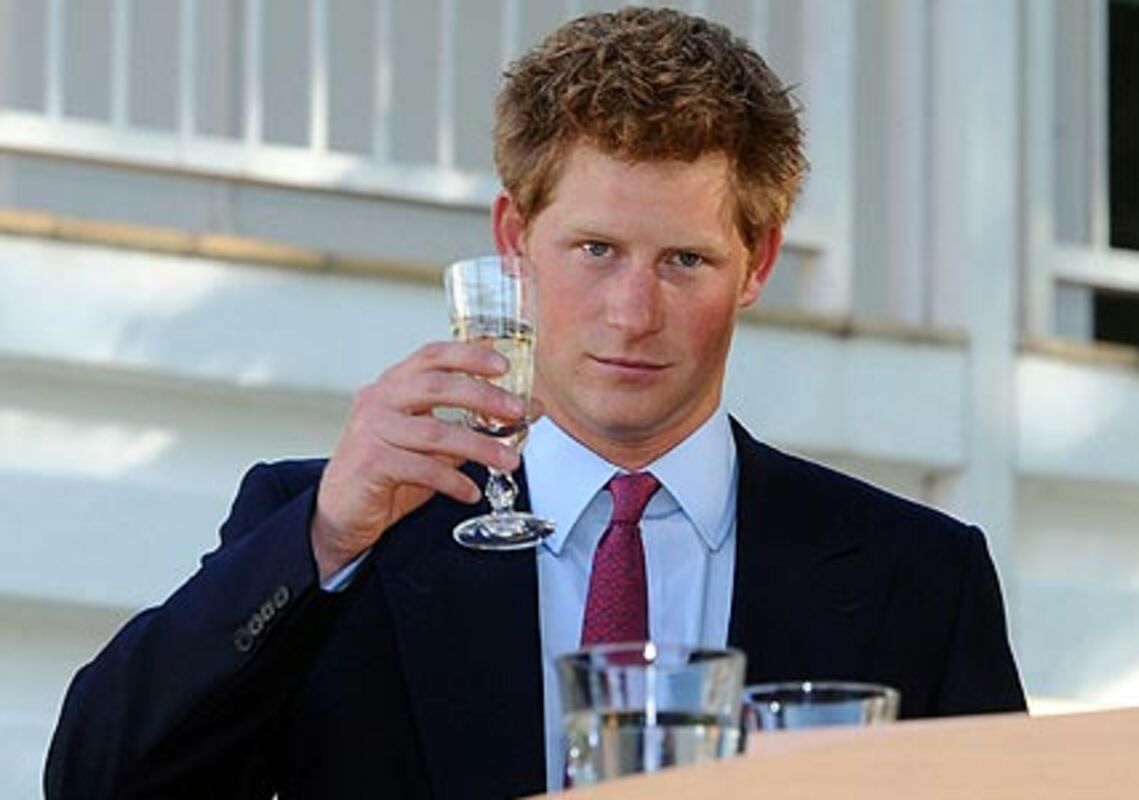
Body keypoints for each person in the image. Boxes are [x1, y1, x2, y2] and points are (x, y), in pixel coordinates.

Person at [45, 7, 1025, 798]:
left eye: (685, 260)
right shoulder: (341, 533)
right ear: (515, 238)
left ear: (757, 263)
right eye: (596, 249)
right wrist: (327, 538)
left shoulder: (920, 577)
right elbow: (99, 781)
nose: (633, 312)